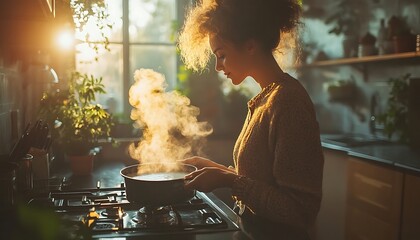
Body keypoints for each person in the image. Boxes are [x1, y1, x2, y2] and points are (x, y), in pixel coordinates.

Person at [178, 0, 324, 239]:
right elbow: (260, 179)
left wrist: (228, 181)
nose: (217, 66)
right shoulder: (266, 97)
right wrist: (215, 170)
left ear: (250, 46)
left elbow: (299, 212)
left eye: (222, 55)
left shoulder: (289, 102)